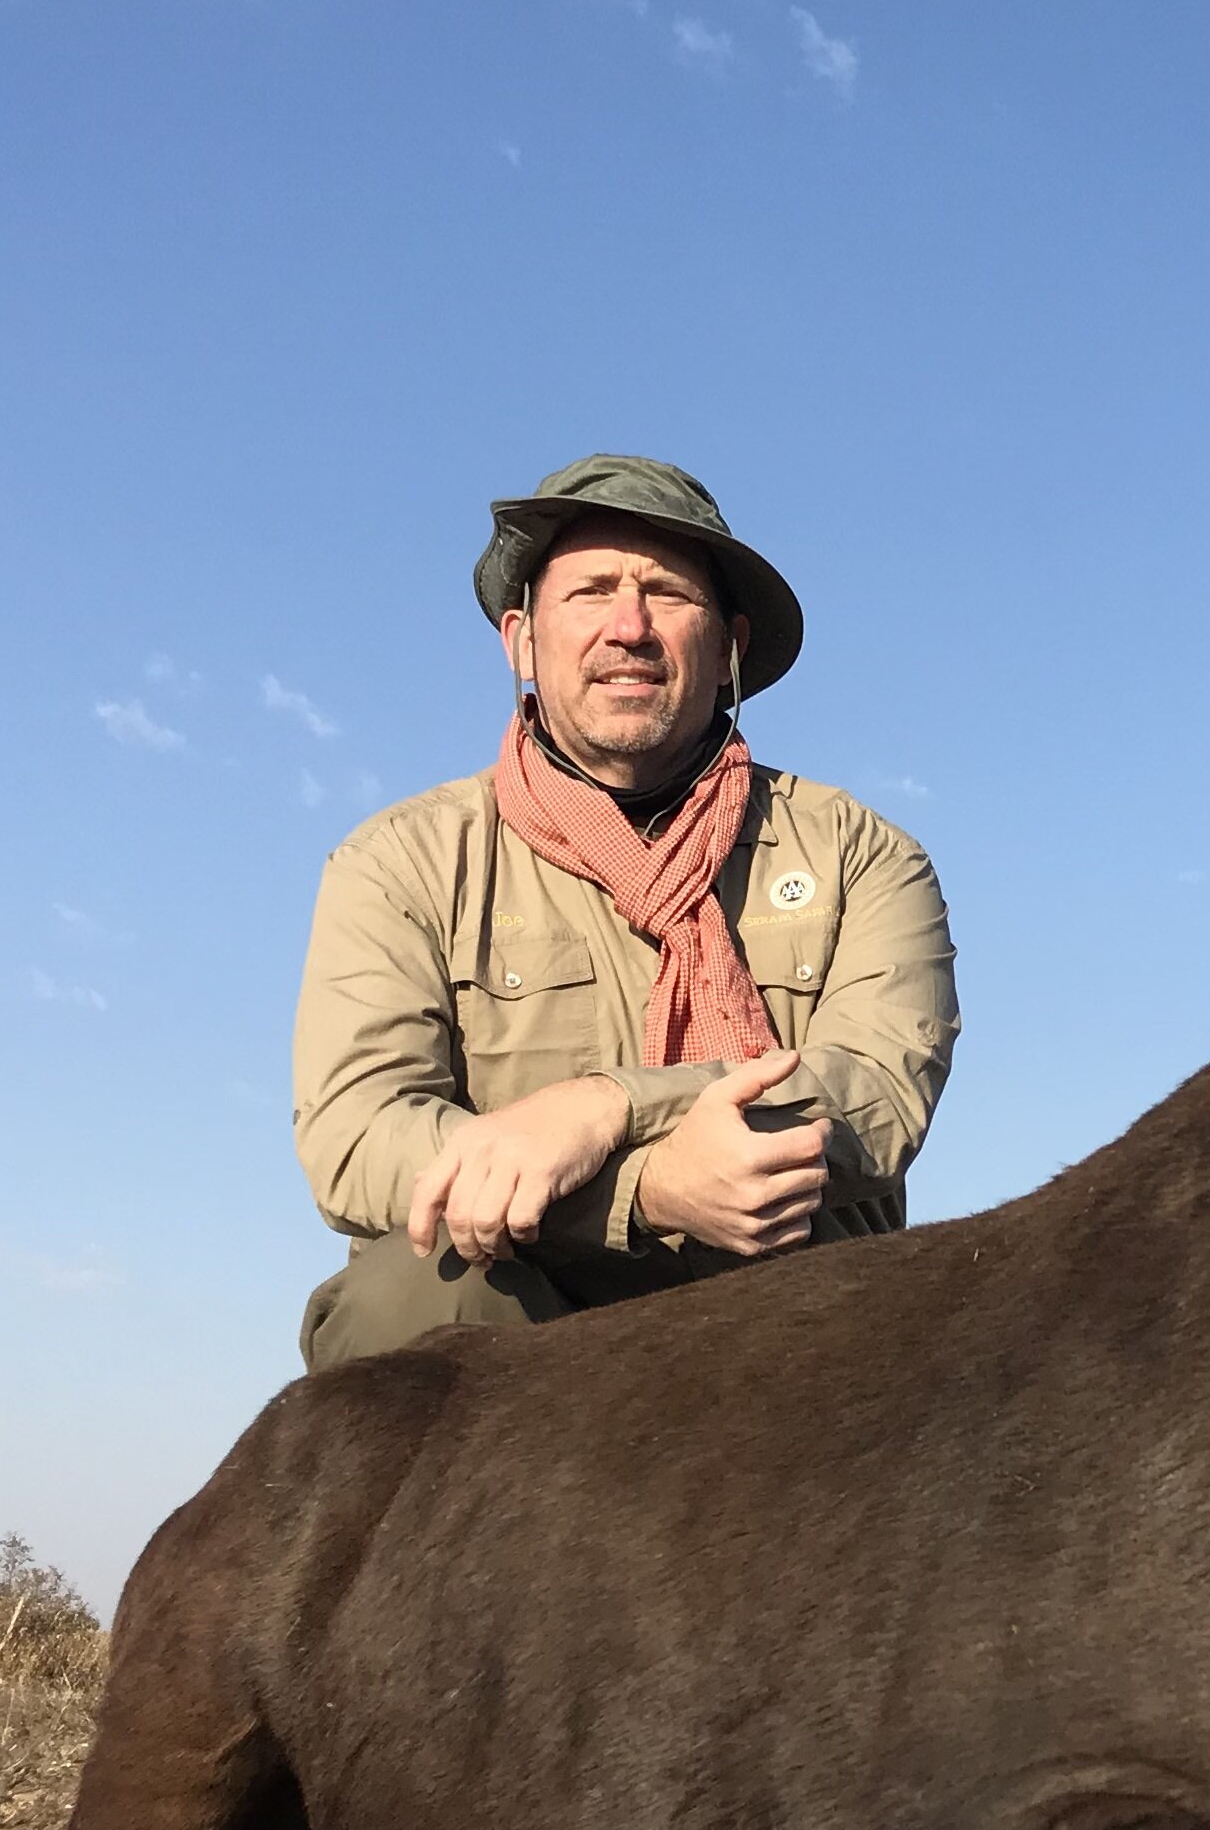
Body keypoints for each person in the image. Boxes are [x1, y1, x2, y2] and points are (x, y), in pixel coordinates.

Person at [290, 456, 958, 1370]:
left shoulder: (864, 854)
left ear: (729, 645)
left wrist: (601, 1109)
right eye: (592, 591)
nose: (629, 627)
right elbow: (357, 1134)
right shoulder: (399, 861)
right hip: (523, 1297)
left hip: (797, 1307)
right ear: (521, 640)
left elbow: (877, 1096)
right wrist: (646, 1190)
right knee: (408, 1299)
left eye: (667, 593)